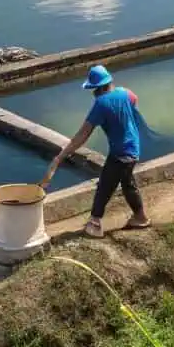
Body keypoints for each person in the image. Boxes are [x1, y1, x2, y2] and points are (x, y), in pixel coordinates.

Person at [40, 64, 151, 238]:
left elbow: (82, 135)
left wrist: (61, 156)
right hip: (133, 147)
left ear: (97, 88)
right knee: (127, 183)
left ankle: (95, 224)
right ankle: (140, 217)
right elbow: (134, 100)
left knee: (105, 187)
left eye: (93, 89)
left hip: (120, 153)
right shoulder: (124, 92)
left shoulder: (101, 104)